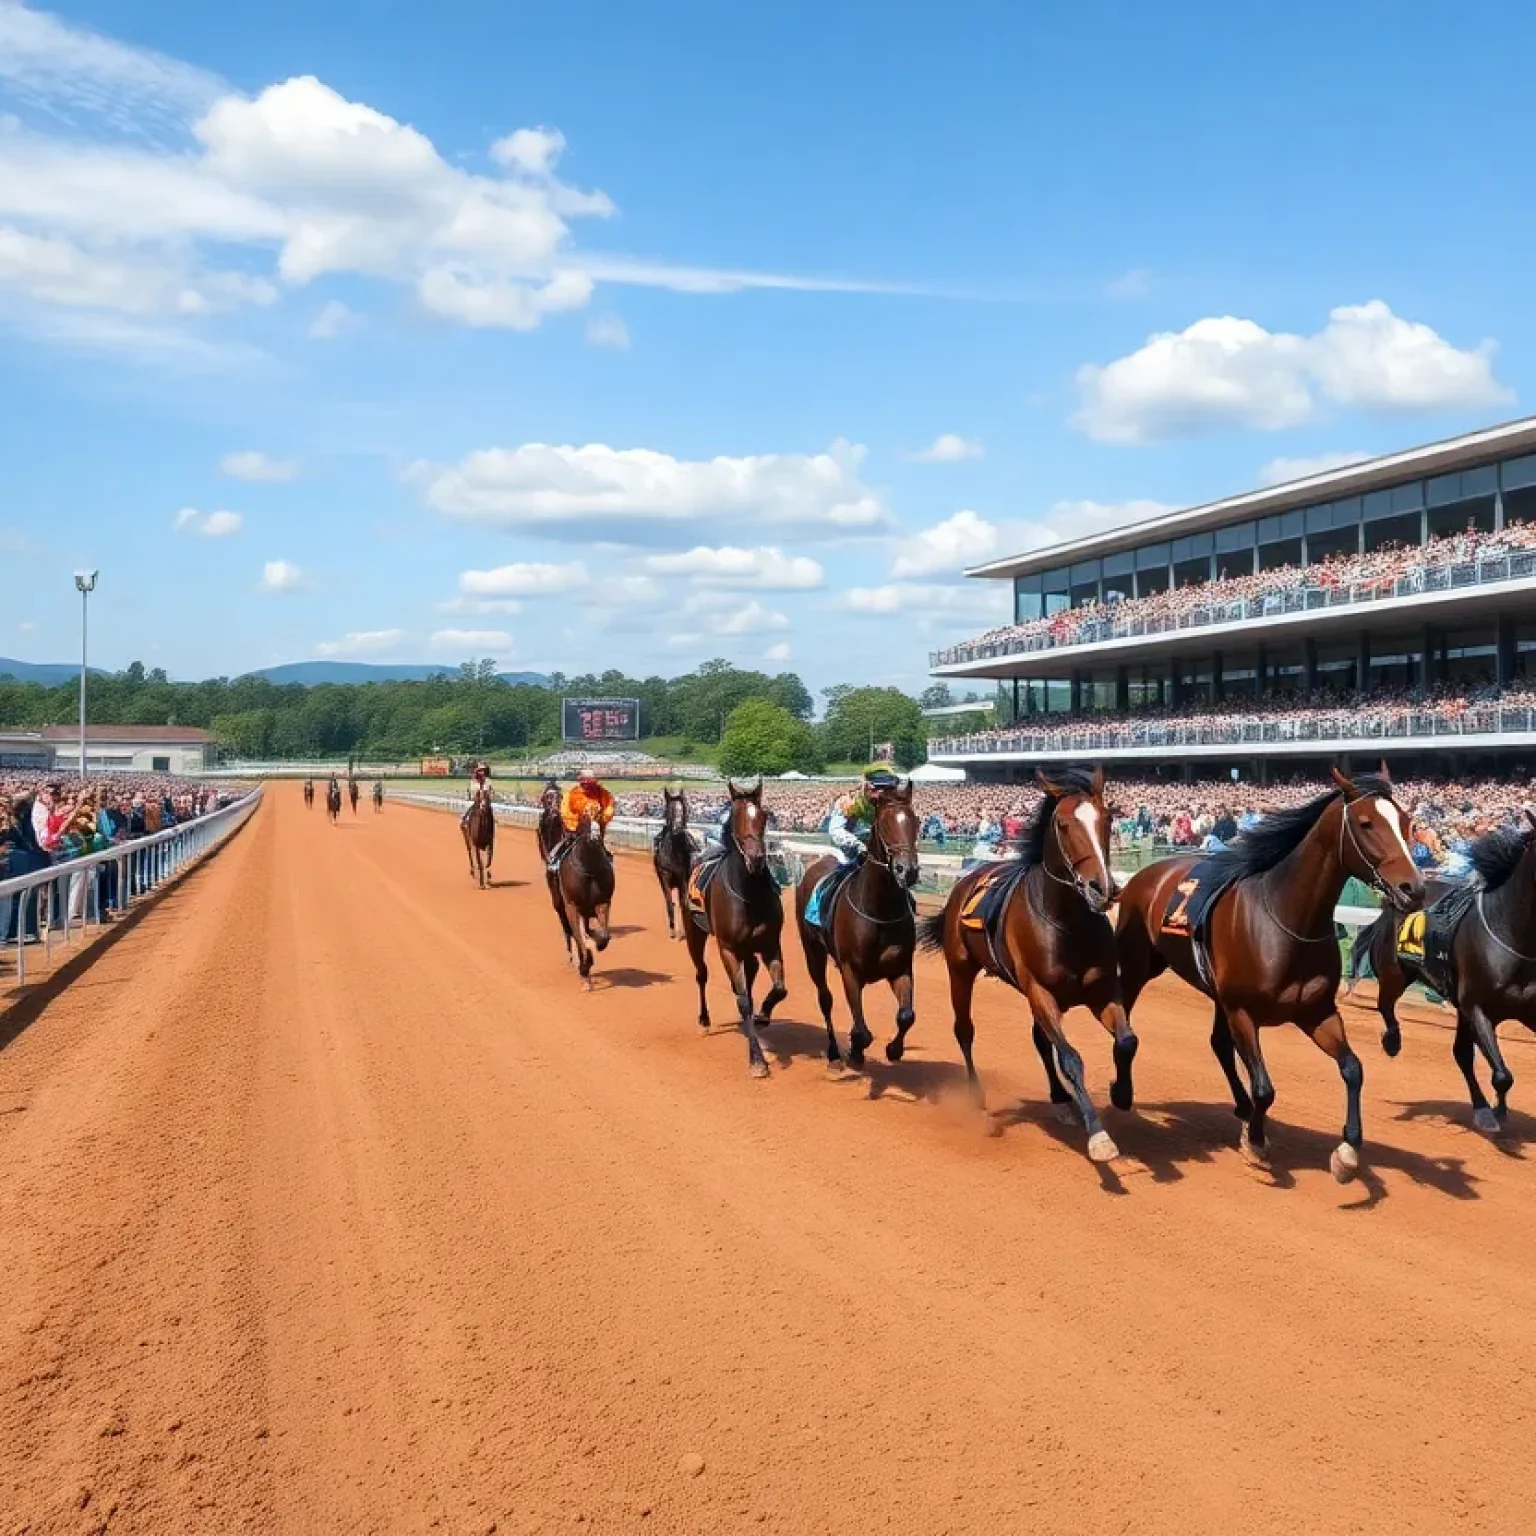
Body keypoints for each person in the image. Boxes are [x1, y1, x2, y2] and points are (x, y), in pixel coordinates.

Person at [826, 768, 901, 867]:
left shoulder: (891, 806)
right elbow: (835, 831)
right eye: (877, 789)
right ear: (867, 787)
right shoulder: (848, 803)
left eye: (888, 789)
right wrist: (858, 845)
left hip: (879, 852)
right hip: (847, 852)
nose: (882, 794)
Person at [547, 769, 616, 870]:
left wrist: (602, 818)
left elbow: (609, 808)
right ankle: (556, 860)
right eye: (585, 783)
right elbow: (565, 811)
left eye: (590, 783)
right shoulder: (572, 794)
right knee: (567, 841)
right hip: (575, 829)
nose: (587, 786)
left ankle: (607, 861)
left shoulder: (603, 794)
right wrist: (576, 823)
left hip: (596, 828)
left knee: (601, 846)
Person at [460, 762, 493, 829]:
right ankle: (464, 820)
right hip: (475, 800)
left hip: (485, 800)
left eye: (483, 770)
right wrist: (479, 793)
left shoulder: (488, 781)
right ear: (477, 771)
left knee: (490, 809)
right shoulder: (473, 781)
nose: (482, 772)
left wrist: (489, 795)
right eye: (480, 770)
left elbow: (490, 790)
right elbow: (473, 791)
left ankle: (492, 825)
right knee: (469, 806)